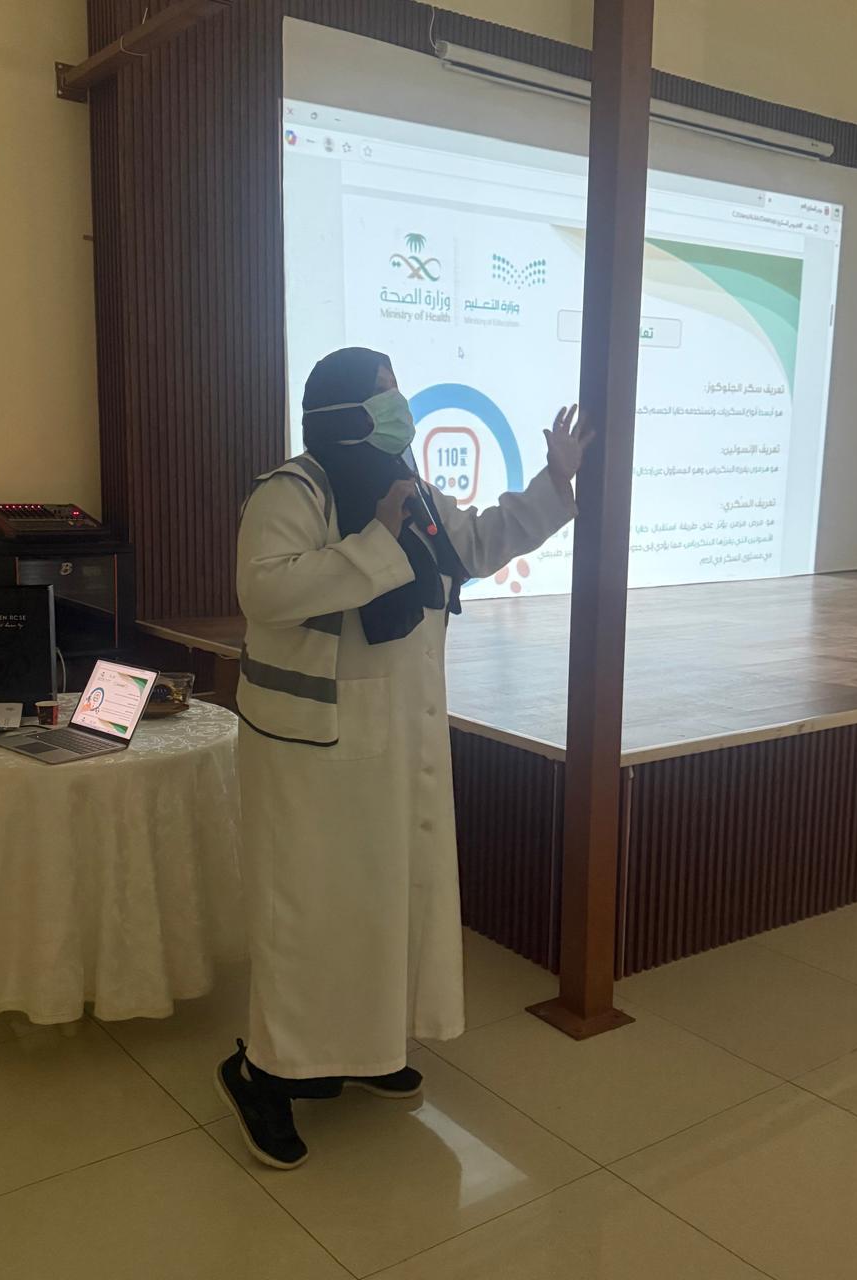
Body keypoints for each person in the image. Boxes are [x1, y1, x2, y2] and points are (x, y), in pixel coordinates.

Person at [217, 347, 591, 1169]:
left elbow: (475, 545)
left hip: (398, 739)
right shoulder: (290, 492)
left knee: (385, 903)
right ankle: (263, 1072)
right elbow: (266, 592)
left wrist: (555, 483)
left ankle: (368, 1047)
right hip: (313, 752)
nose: (401, 406)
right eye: (386, 392)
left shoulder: (407, 484)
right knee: (312, 912)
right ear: (346, 408)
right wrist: (376, 543)